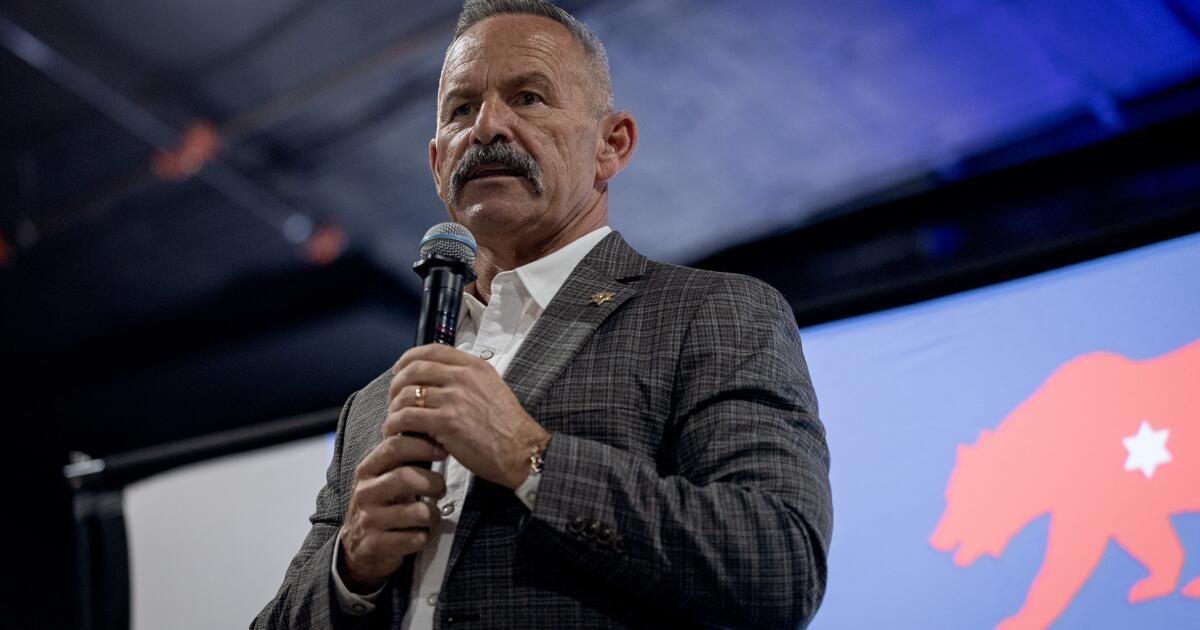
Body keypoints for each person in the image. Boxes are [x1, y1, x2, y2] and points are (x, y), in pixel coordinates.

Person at [253, 1, 832, 628]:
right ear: (438, 164)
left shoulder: (712, 314)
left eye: (527, 98)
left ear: (611, 144)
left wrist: (528, 456)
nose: (486, 128)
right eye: (461, 109)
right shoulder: (372, 406)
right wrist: (351, 567)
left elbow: (780, 566)